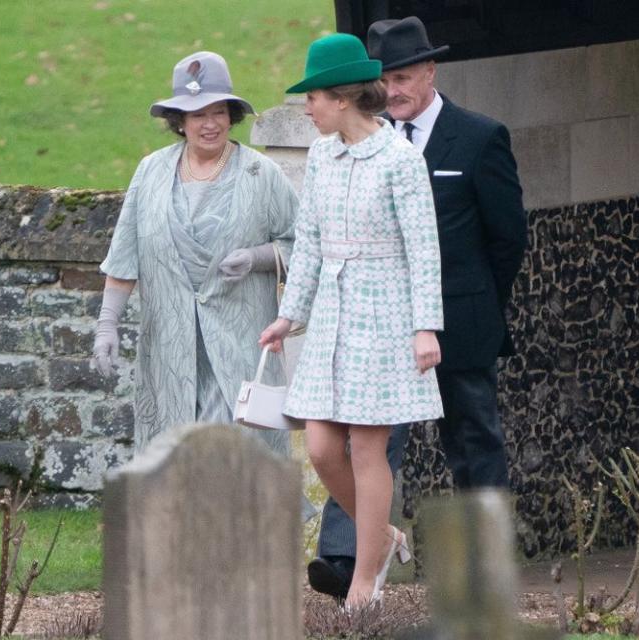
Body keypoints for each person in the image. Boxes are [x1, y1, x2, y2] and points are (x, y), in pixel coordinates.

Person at [306, 16, 528, 600]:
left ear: (431, 71)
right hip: (375, 324)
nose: (394, 90)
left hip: (457, 322)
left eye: (403, 77)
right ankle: (347, 554)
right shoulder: (353, 146)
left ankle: (485, 567)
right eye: (385, 80)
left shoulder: (479, 137)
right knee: (365, 437)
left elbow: (508, 237)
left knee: (474, 439)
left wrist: (476, 303)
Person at [260, 32, 444, 609]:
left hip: (385, 315)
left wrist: (425, 327)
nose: (306, 108)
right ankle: (383, 536)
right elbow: (309, 242)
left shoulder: (401, 160)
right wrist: (290, 316)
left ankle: (364, 584)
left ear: (340, 98)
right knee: (319, 447)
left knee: (367, 449)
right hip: (334, 316)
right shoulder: (321, 155)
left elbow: (424, 249)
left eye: (311, 97)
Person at [93, 51, 298, 460]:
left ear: (231, 116)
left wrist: (258, 257)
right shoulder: (150, 172)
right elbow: (125, 255)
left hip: (238, 349)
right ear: (179, 122)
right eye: (197, 114)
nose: (210, 124)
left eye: (218, 112)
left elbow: (306, 247)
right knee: (172, 462)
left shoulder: (261, 175)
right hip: (169, 352)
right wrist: (106, 325)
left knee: (233, 462)